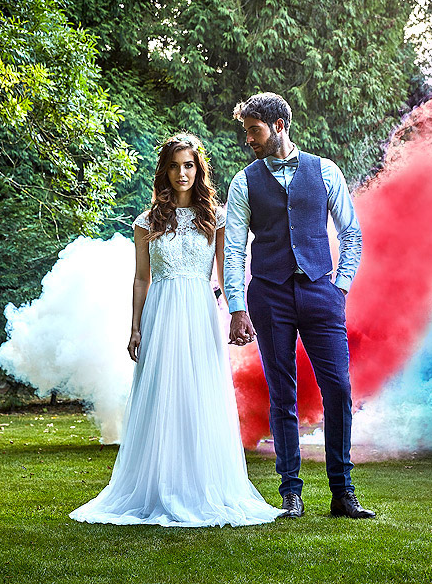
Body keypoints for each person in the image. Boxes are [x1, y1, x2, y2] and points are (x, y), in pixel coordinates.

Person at [70, 133, 281, 527]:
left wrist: (241, 313)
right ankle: (157, 484)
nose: (182, 173)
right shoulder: (147, 221)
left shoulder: (214, 219)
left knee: (198, 395)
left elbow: (227, 272)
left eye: (188, 165)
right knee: (161, 396)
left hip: (200, 313)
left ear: (198, 169)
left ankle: (202, 485)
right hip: (161, 313)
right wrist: (134, 328)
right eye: (174, 165)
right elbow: (140, 280)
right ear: (164, 171)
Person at [224, 93, 375, 519]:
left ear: (279, 126)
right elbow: (234, 248)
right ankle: (291, 492)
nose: (249, 140)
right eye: (247, 132)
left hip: (320, 293)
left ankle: (342, 492)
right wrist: (237, 306)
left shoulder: (325, 171)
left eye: (254, 131)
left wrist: (339, 287)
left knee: (339, 391)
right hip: (268, 295)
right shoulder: (243, 182)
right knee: (282, 395)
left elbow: (351, 234)